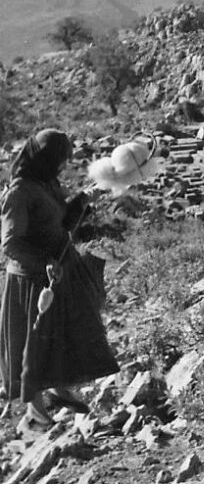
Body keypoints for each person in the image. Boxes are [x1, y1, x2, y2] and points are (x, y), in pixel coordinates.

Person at [0, 129, 119, 435]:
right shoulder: (20, 192)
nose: (64, 165)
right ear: (43, 158)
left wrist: (82, 199)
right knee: (33, 345)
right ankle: (36, 413)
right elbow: (10, 243)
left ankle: (60, 389)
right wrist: (45, 263)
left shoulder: (46, 183)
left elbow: (62, 222)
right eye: (59, 159)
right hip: (32, 282)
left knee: (65, 334)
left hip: (58, 273)